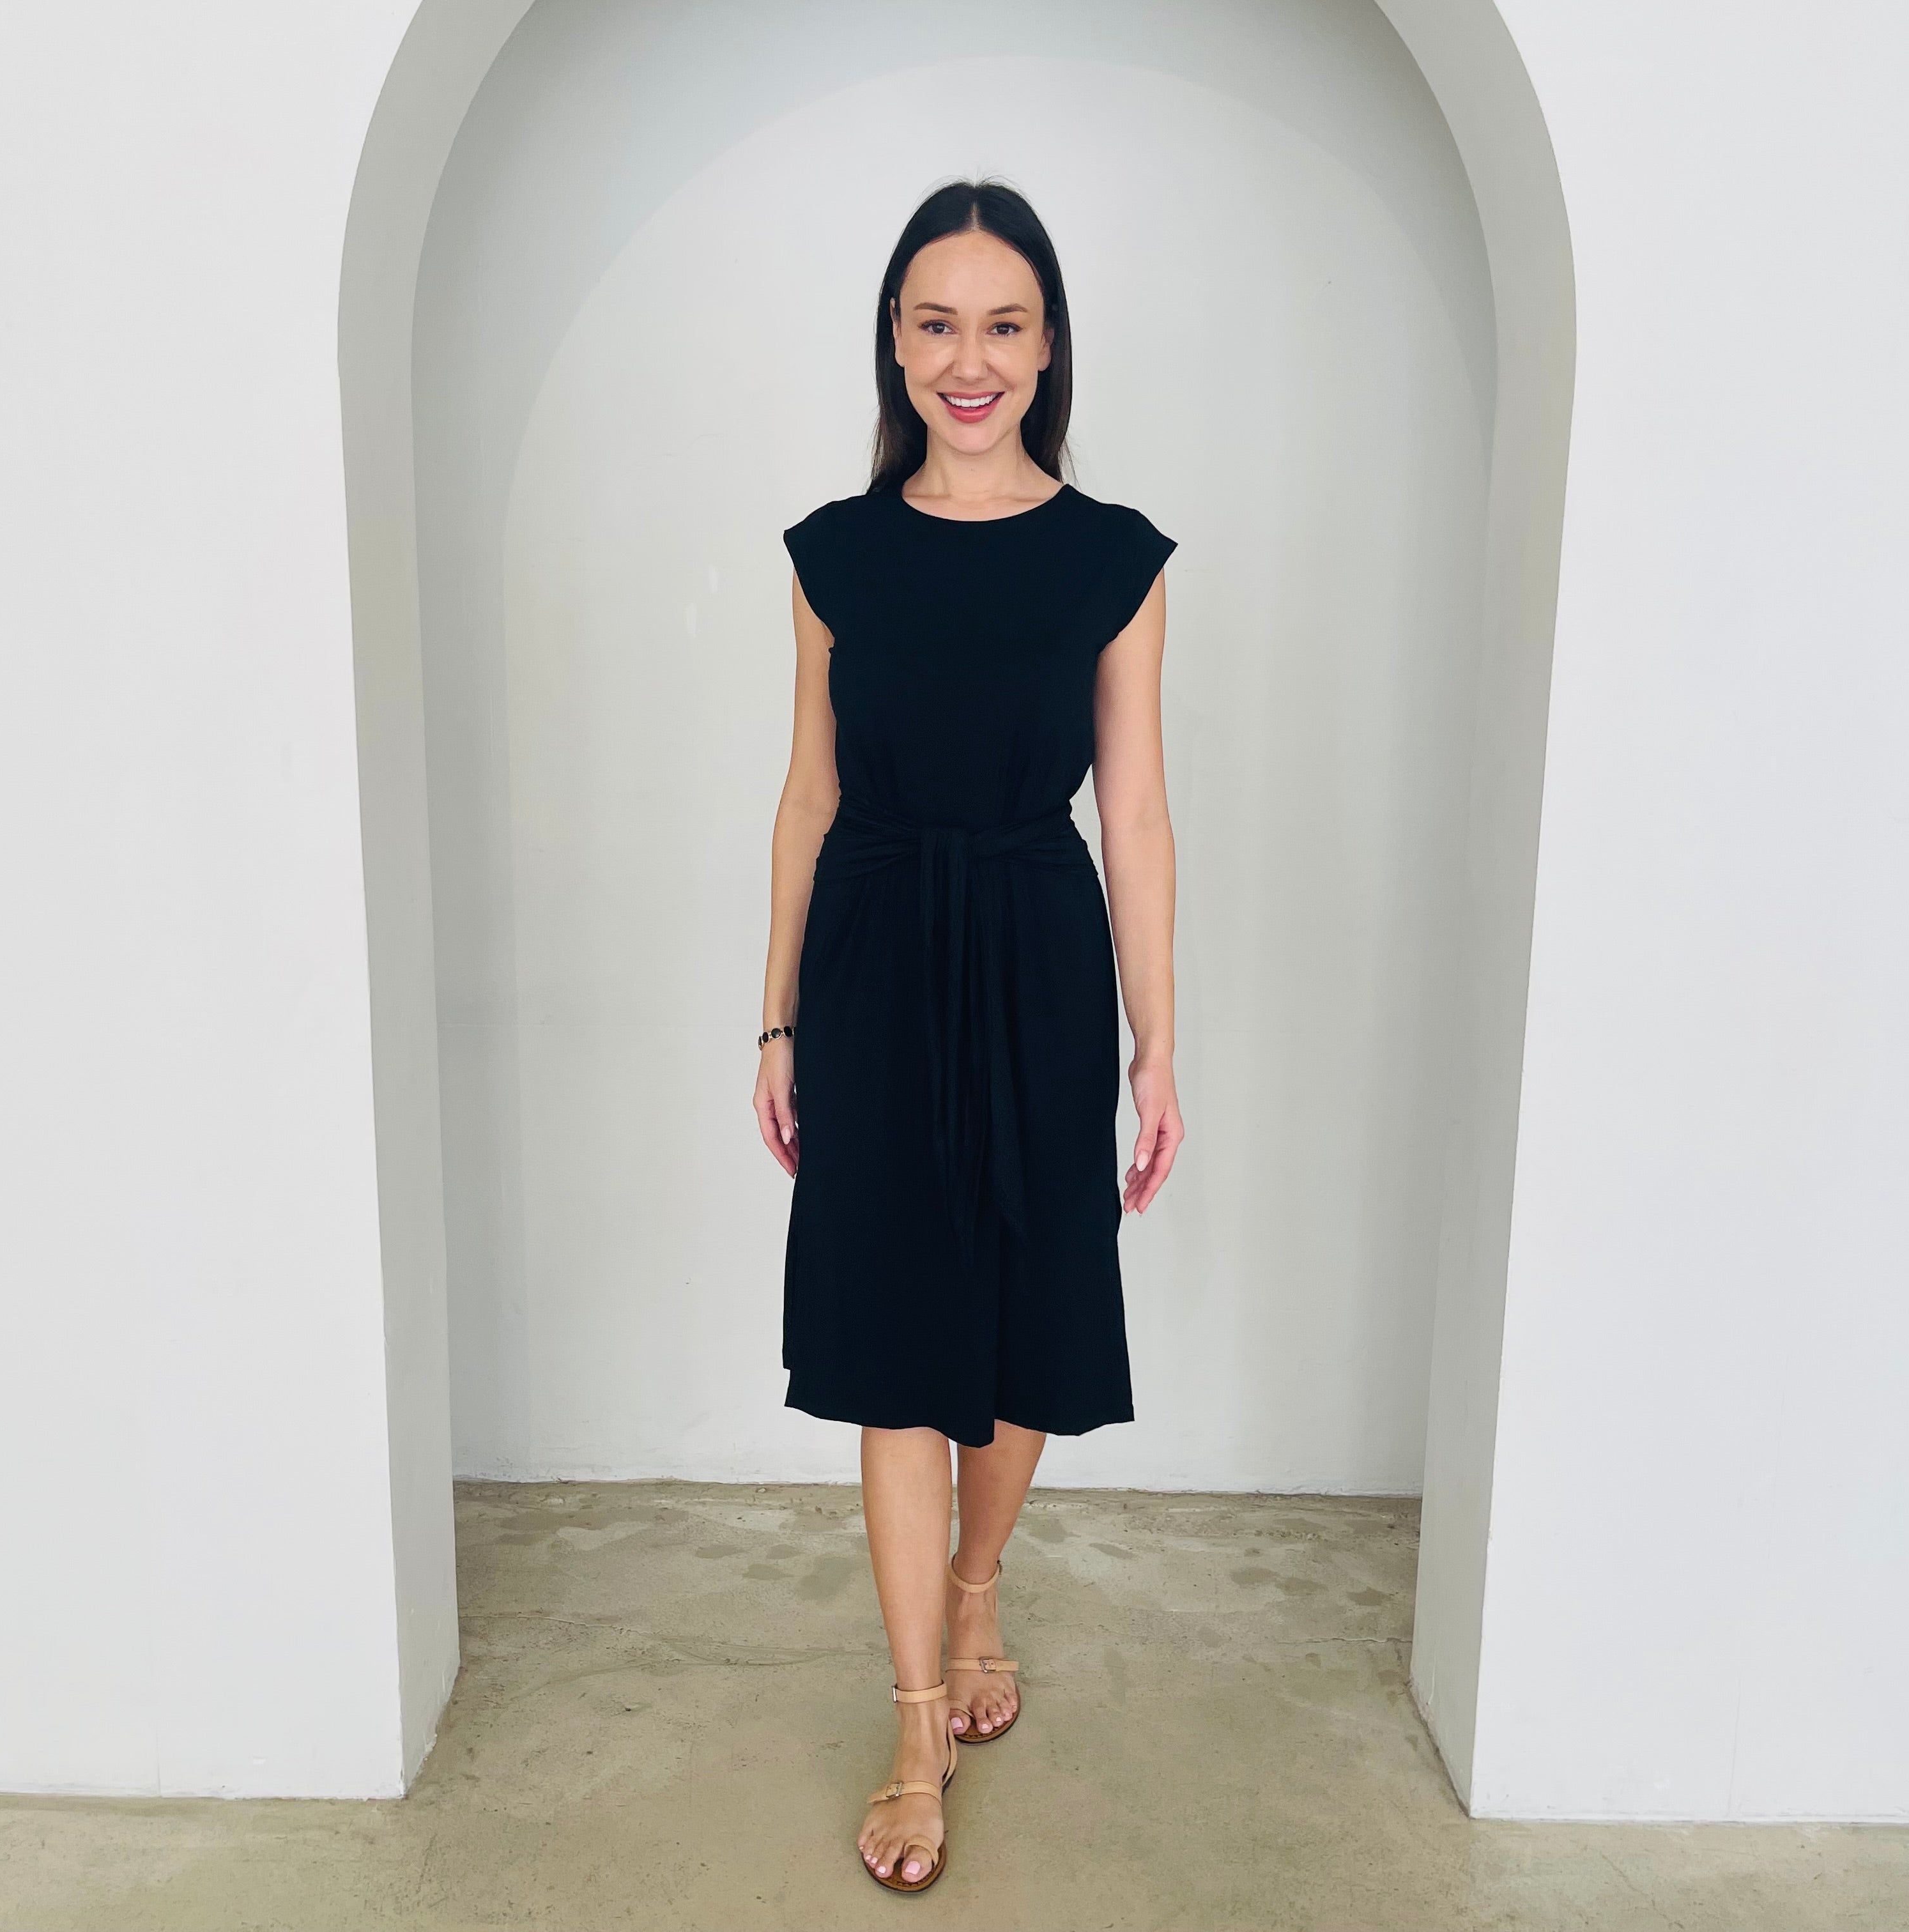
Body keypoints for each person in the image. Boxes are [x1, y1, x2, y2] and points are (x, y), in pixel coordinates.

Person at [752, 178, 1183, 1892]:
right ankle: (919, 1724)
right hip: (868, 959)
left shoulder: (1114, 558)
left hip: (1036, 952)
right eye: (935, 322)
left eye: (1003, 323)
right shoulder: (834, 555)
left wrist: (1162, 1045)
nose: (969, 358)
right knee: (890, 1350)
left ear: (1049, 342)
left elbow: (1138, 818)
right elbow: (804, 796)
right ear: (895, 342)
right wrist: (777, 1020)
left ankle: (982, 1582)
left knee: (1022, 1336)